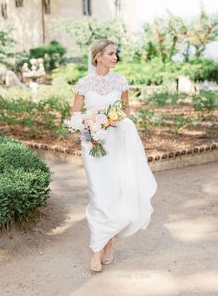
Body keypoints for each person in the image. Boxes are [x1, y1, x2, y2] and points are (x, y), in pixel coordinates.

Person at [71, 38, 158, 272]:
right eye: (110, 53)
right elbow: (75, 114)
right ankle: (99, 247)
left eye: (115, 53)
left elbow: (126, 110)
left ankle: (104, 247)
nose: (115, 57)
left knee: (118, 193)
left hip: (118, 143)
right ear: (98, 56)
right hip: (93, 146)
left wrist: (114, 120)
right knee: (100, 195)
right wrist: (89, 125)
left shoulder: (120, 82)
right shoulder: (84, 83)